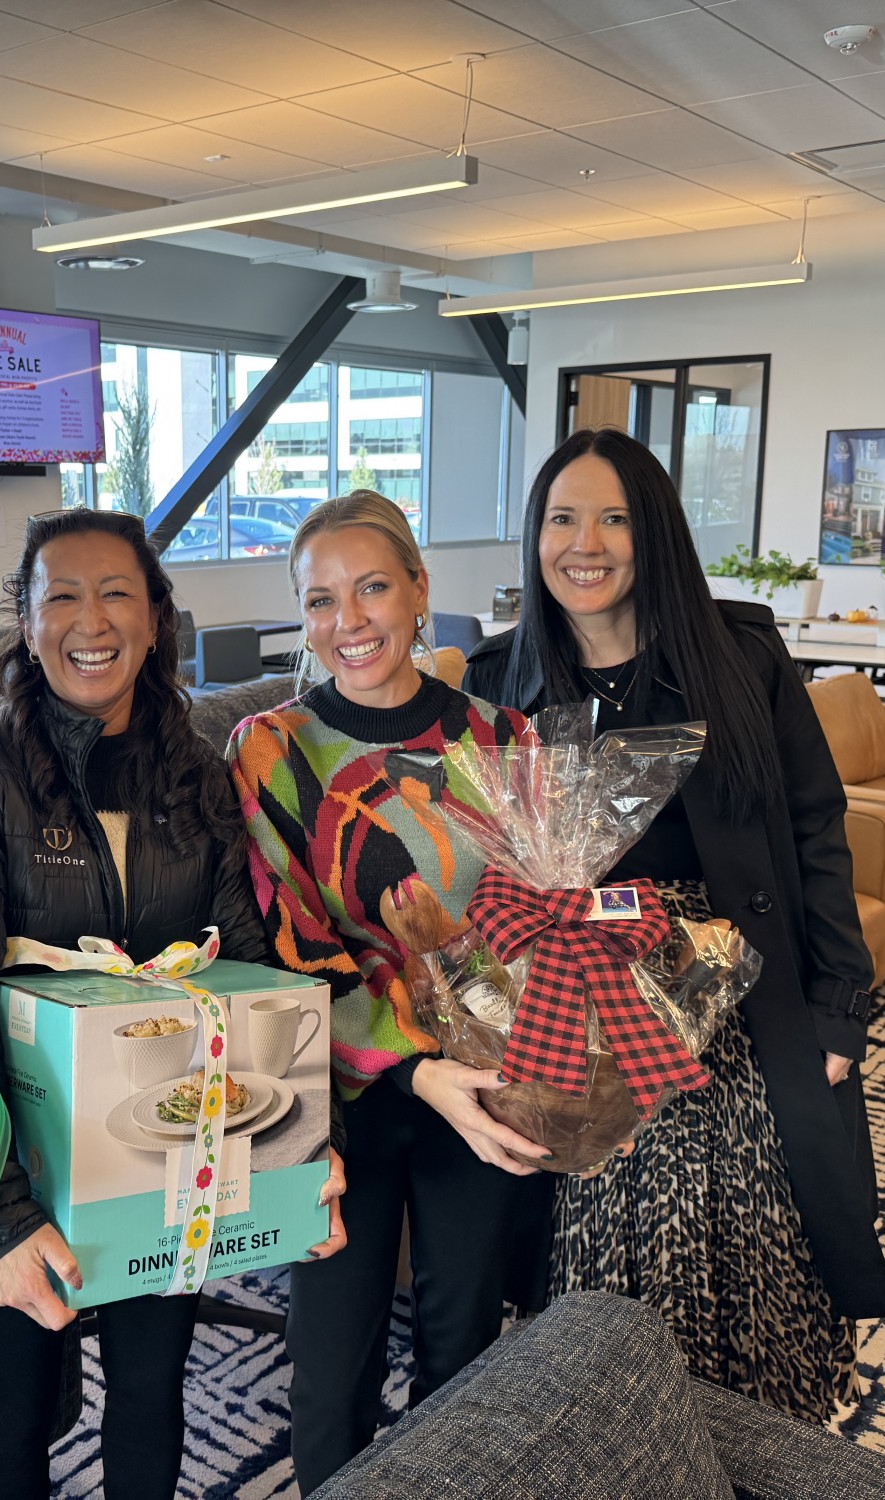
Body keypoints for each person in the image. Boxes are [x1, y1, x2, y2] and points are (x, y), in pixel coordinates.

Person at [463, 426, 885, 1422]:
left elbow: (815, 825)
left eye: (613, 519)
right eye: (561, 519)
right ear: (533, 537)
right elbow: (473, 870)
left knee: (760, 1217)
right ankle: (621, 1429)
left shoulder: (739, 655)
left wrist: (838, 1006)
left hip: (738, 990)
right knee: (604, 1222)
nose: (585, 544)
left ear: (654, 532)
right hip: (575, 1005)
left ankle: (761, 1434)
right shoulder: (496, 683)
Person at [0, 508, 341, 1500]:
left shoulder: (196, 774)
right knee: (13, 1420)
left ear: (153, 621)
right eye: (60, 595)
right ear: (27, 624)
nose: (89, 620)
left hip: (160, 1156)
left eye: (115, 594)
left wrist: (309, 1152)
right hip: (2, 1159)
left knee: (150, 1394)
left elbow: (253, 973)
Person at [227, 490, 554, 1494]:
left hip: (483, 1081)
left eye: (371, 588)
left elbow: (539, 917)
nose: (348, 621)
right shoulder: (271, 748)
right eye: (319, 600)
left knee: (464, 1345)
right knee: (331, 1363)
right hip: (336, 1092)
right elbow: (288, 942)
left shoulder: (504, 737)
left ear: (419, 590)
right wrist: (413, 1065)